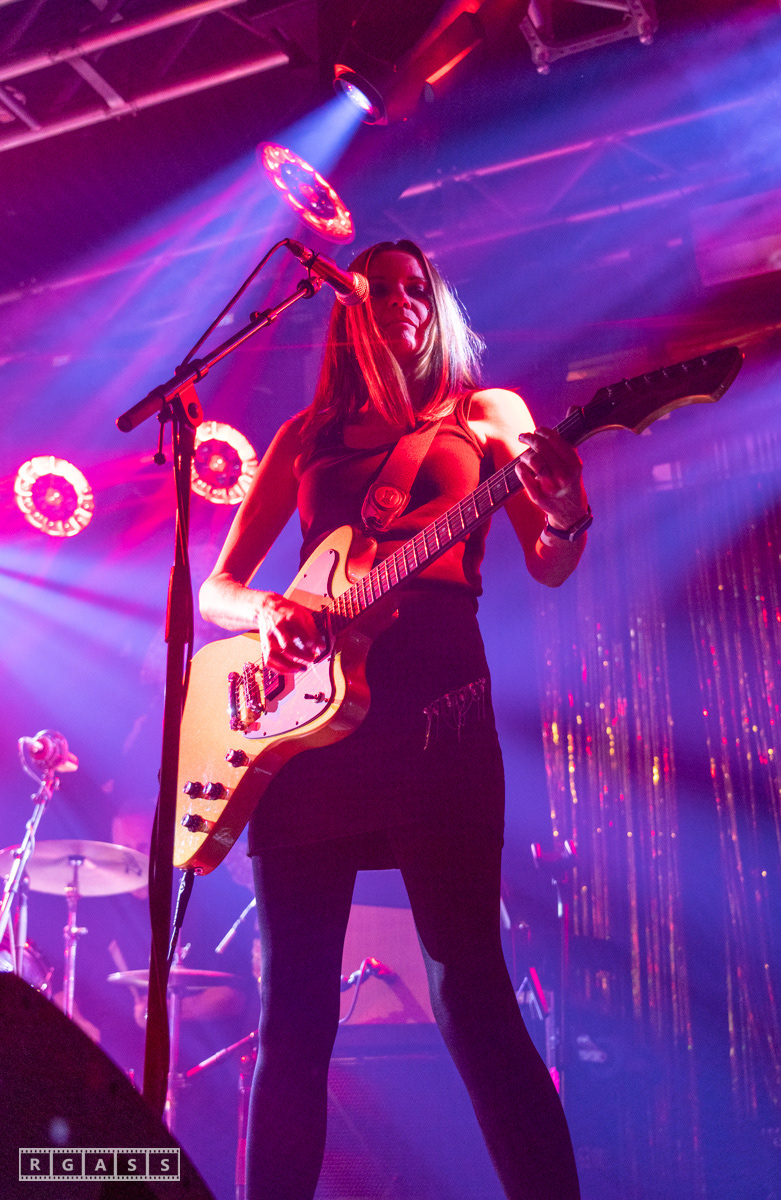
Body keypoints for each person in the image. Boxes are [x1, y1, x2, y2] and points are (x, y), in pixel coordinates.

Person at [199, 240, 587, 1200]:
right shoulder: (304, 436)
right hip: (305, 733)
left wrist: (566, 505)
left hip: (436, 712)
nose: (402, 300)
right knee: (291, 1019)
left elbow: (548, 561)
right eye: (378, 288)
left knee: (472, 993)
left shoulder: (486, 415)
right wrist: (269, 611)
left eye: (419, 288)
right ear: (348, 310)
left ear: (437, 307)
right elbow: (218, 588)